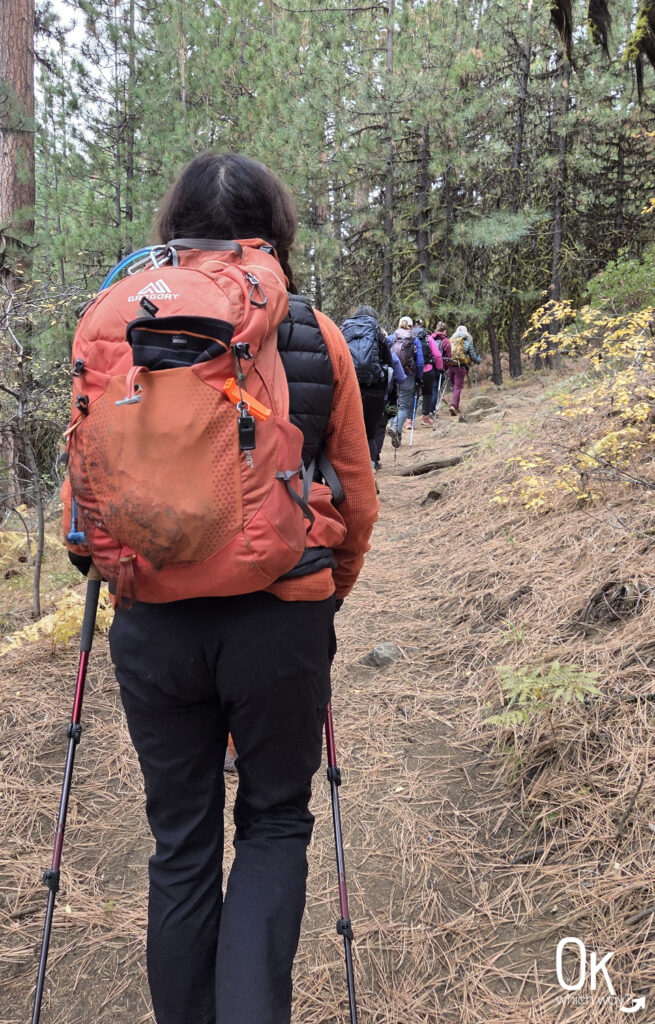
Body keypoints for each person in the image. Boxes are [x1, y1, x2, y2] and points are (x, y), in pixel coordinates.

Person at [69, 152, 378, 1024]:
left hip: (151, 621)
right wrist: (327, 600)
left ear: (172, 229)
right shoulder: (308, 333)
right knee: (275, 824)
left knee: (181, 844)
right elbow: (353, 495)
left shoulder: (123, 324)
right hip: (280, 616)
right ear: (271, 231)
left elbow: (83, 494)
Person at [340, 304, 393, 470]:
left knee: (350, 432)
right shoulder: (378, 334)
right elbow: (389, 364)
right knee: (370, 432)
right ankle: (370, 469)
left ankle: (352, 467)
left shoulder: (343, 332)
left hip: (350, 388)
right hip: (375, 389)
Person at [386, 315, 424, 447]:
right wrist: (419, 377)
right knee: (403, 406)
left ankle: (395, 429)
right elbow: (419, 361)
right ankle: (395, 428)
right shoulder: (414, 339)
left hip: (393, 374)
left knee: (393, 402)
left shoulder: (392, 337)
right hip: (408, 375)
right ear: (411, 326)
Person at [445, 324, 481, 415]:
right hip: (461, 367)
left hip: (451, 366)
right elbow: (473, 356)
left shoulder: (451, 341)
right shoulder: (467, 341)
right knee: (457, 387)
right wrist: (478, 360)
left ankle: (456, 406)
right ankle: (453, 405)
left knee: (456, 387)